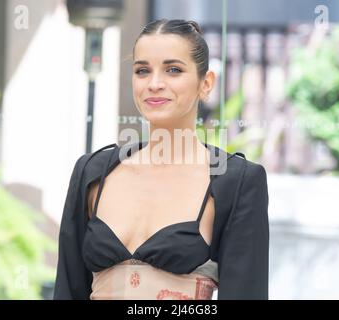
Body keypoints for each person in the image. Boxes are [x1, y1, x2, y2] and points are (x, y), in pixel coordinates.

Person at [53, 19, 269, 300]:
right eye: (142, 71)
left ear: (206, 83)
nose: (155, 84)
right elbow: (67, 290)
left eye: (173, 70)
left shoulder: (236, 181)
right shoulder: (92, 172)